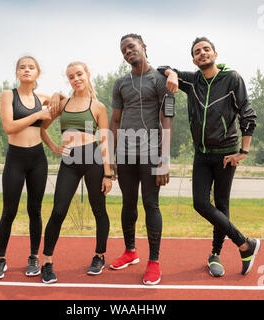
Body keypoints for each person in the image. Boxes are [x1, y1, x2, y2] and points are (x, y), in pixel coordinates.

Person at [158, 37, 260, 277]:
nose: (202, 53)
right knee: (200, 203)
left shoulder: (232, 79)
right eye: (197, 51)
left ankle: (216, 254)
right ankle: (245, 244)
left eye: (206, 49)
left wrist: (243, 152)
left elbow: (248, 115)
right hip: (202, 154)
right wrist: (172, 73)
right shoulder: (192, 81)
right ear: (194, 60)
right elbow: (159, 69)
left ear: (215, 54)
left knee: (222, 205)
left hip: (226, 155)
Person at [109, 34, 174, 285]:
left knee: (151, 204)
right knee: (128, 204)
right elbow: (115, 120)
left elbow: (167, 119)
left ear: (143, 47)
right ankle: (130, 252)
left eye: (131, 47)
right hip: (125, 153)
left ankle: (154, 261)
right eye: (123, 50)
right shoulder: (120, 83)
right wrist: (111, 156)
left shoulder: (161, 80)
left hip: (151, 152)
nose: (128, 52)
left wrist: (164, 159)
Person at [39, 61, 112, 284]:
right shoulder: (62, 104)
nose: (76, 79)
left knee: (98, 209)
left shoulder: (98, 107)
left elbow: (105, 140)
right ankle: (47, 262)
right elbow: (41, 128)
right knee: (59, 210)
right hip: (69, 160)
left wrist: (108, 174)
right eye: (71, 76)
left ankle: (99, 255)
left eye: (79, 74)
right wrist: (54, 147)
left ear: (88, 75)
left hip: (93, 159)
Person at [0, 56, 52, 279]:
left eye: (31, 67)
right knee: (9, 211)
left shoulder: (43, 98)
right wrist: (37, 114)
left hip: (38, 159)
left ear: (38, 73)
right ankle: (0, 259)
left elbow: (58, 110)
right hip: (15, 159)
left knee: (35, 210)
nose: (26, 70)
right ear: (16, 73)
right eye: (22, 67)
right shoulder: (8, 95)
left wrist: (53, 144)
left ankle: (34, 257)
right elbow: (9, 127)